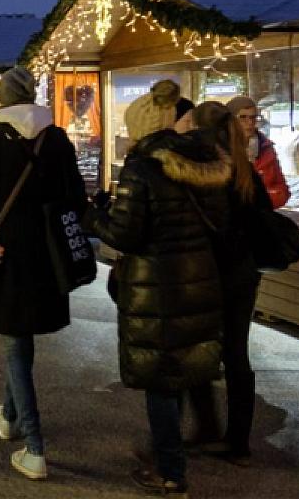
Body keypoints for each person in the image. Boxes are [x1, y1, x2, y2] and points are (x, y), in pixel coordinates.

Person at [88, 80, 226, 496]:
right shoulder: (205, 161)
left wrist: (93, 216)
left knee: (161, 378)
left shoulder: (144, 168)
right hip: (199, 280)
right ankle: (180, 448)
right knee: (181, 366)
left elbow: (126, 234)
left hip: (158, 287)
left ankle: (170, 470)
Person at [0, 66, 86, 482]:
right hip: (47, 251)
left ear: (4, 98)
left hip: (6, 248)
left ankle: (35, 446)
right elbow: (76, 198)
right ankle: (9, 415)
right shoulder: (58, 138)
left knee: (16, 341)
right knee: (21, 338)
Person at [187, 100, 272, 467]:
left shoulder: (205, 171)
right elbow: (263, 215)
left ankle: (207, 426)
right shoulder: (243, 170)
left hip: (209, 272)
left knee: (195, 348)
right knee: (236, 354)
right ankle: (237, 440)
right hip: (242, 273)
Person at [225, 96, 290, 209]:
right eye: (243, 117)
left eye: (253, 117)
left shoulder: (266, 147)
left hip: (261, 216)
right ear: (231, 120)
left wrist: (263, 200)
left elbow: (282, 190)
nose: (250, 122)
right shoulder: (222, 148)